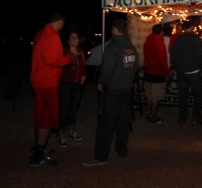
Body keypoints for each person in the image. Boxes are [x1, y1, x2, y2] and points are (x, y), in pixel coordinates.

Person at [83, 19, 139, 166]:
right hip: (126, 90)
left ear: (114, 29)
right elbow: (135, 67)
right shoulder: (131, 47)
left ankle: (101, 156)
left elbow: (106, 69)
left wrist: (101, 82)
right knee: (122, 122)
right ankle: (121, 150)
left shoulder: (112, 46)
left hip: (113, 90)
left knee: (105, 123)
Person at [29, 11, 77, 167]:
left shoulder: (41, 33)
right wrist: (70, 58)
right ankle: (38, 156)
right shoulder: (52, 36)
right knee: (46, 119)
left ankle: (38, 148)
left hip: (40, 79)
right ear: (60, 22)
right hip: (46, 81)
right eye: (63, 23)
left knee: (42, 115)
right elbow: (53, 60)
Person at [169, 20, 202, 125]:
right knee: (198, 94)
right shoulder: (195, 38)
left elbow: (173, 54)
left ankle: (182, 116)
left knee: (182, 95)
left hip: (181, 71)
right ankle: (196, 117)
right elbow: (198, 55)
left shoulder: (178, 39)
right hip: (193, 70)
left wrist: (176, 66)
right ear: (191, 27)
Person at [57, 30, 87, 146]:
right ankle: (61, 133)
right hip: (65, 83)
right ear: (68, 40)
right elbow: (59, 67)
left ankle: (71, 131)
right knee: (63, 108)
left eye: (77, 37)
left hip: (77, 84)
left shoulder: (81, 52)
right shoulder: (64, 52)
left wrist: (84, 75)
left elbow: (83, 68)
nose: (76, 39)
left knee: (73, 108)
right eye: (73, 37)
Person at [142, 24, 168, 124]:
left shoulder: (147, 41)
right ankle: (153, 116)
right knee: (156, 96)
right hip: (157, 73)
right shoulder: (159, 43)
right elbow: (162, 60)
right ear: (161, 32)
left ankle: (148, 113)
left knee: (149, 95)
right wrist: (165, 72)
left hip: (148, 71)